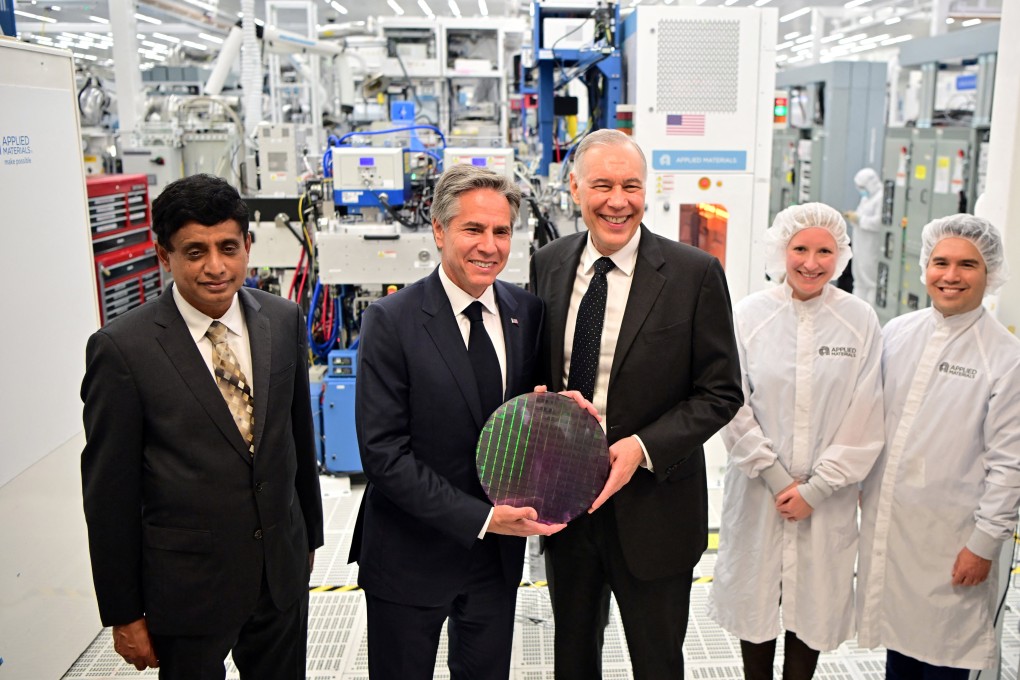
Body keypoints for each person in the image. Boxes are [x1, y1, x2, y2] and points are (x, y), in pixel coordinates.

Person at [80, 174, 323, 678]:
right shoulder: (123, 349)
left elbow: (298, 441)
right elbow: (110, 495)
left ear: (247, 246)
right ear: (163, 255)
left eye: (228, 247)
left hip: (279, 577)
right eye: (195, 252)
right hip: (188, 591)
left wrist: (308, 544)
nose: (216, 267)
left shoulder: (283, 319)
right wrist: (124, 613)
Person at [349, 164, 583, 680]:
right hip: (411, 551)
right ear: (438, 229)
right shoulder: (391, 321)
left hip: (493, 563)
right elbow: (384, 455)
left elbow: (526, 421)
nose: (490, 246)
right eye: (473, 229)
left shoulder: (527, 312)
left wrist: (566, 416)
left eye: (501, 232)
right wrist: (481, 518)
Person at [529, 129, 743, 679]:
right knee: (572, 659)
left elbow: (721, 391)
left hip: (656, 511)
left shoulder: (694, 274)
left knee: (656, 662)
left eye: (630, 185)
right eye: (602, 185)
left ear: (647, 191)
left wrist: (642, 447)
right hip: (568, 511)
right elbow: (538, 372)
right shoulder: (549, 264)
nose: (617, 200)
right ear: (575, 189)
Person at [707, 202, 885, 679]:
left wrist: (817, 488)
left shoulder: (859, 320)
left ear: (841, 254)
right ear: (780, 250)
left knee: (813, 608)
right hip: (759, 491)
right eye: (800, 248)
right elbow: (729, 400)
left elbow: (866, 412)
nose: (811, 262)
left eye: (824, 250)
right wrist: (776, 476)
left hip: (826, 500)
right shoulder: (750, 315)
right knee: (757, 603)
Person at [857, 214, 1020, 678]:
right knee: (901, 651)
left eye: (967, 264)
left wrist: (984, 544)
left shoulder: (1004, 359)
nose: (951, 276)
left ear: (989, 273)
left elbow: (1010, 465)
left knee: (948, 655)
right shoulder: (896, 334)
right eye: (940, 262)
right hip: (896, 530)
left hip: (956, 540)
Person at [844, 168, 884, 304]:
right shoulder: (867, 197)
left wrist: (859, 219)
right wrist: (854, 218)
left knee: (871, 282)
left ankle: (871, 313)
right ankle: (856, 312)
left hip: (871, 246)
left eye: (862, 187)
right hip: (860, 246)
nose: (861, 190)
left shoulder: (881, 197)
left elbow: (880, 223)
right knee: (859, 280)